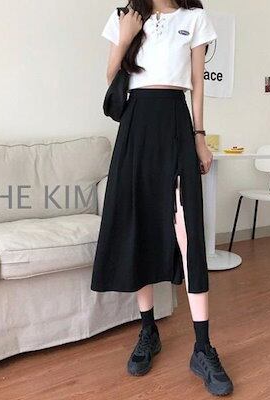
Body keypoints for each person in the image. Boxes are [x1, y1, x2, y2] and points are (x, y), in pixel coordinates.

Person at [91, 0, 233, 396]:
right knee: (139, 223)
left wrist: (200, 137)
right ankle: (148, 330)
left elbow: (198, 84)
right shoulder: (126, 17)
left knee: (189, 233)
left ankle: (202, 347)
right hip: (136, 126)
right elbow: (111, 78)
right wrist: (125, 37)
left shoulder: (195, 19)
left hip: (175, 122)